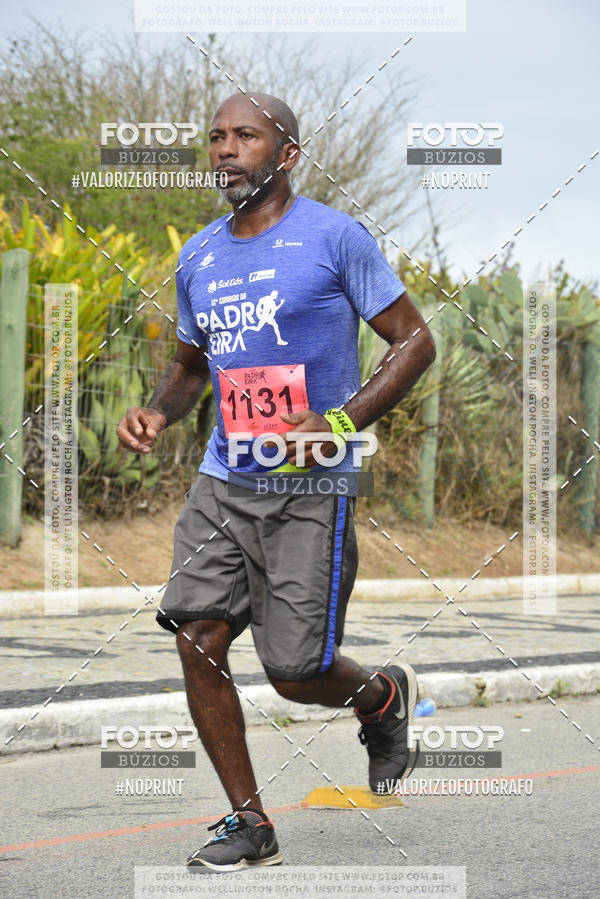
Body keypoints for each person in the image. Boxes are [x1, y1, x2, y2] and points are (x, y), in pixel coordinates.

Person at [117, 91, 436, 872]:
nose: (225, 149)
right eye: (216, 137)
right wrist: (158, 411)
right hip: (223, 478)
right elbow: (191, 367)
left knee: (295, 673)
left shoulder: (334, 237)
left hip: (311, 484)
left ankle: (380, 697)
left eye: (246, 136)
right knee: (196, 635)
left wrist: (339, 422)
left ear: (287, 154)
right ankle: (250, 821)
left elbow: (415, 341)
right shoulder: (198, 256)